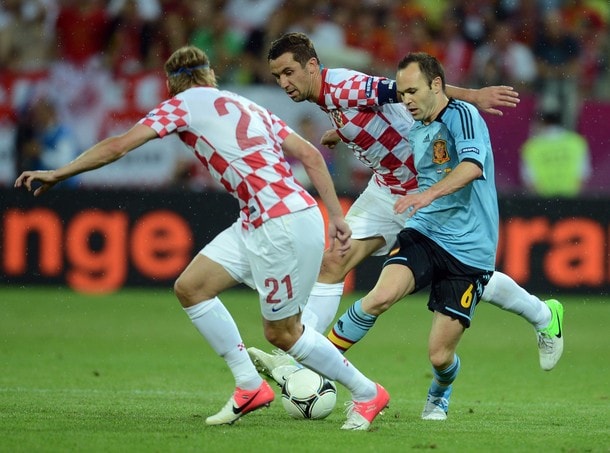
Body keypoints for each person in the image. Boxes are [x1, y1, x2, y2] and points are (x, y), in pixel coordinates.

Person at [14, 45, 389, 431]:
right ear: (210, 76)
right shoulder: (243, 104)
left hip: (281, 222)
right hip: (269, 216)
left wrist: (59, 173)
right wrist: (336, 216)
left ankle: (366, 393)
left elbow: (118, 146)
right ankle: (249, 386)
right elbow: (310, 155)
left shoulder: (182, 104)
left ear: (171, 85)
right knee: (191, 287)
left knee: (282, 333)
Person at [246, 32, 563, 385]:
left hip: (424, 192)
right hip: (386, 190)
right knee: (335, 260)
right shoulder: (331, 98)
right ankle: (301, 355)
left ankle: (542, 314)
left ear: (311, 66)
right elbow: (377, 115)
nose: (284, 82)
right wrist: (346, 131)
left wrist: (472, 95)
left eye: (289, 72)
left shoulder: (345, 86)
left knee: (469, 274)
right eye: (277, 77)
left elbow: (412, 90)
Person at [328, 52, 503, 420]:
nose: (405, 100)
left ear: (435, 86)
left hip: (470, 249)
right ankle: (318, 361)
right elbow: (380, 122)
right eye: (402, 92)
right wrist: (340, 130)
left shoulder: (462, 117)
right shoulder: (416, 124)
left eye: (412, 91)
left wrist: (426, 194)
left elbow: (472, 166)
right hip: (425, 231)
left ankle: (440, 390)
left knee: (439, 355)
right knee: (379, 297)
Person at [520, 109, 590, 197]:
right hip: (571, 201)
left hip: (543, 202)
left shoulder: (531, 146)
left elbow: (529, 179)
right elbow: (583, 175)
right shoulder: (576, 142)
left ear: (542, 123)